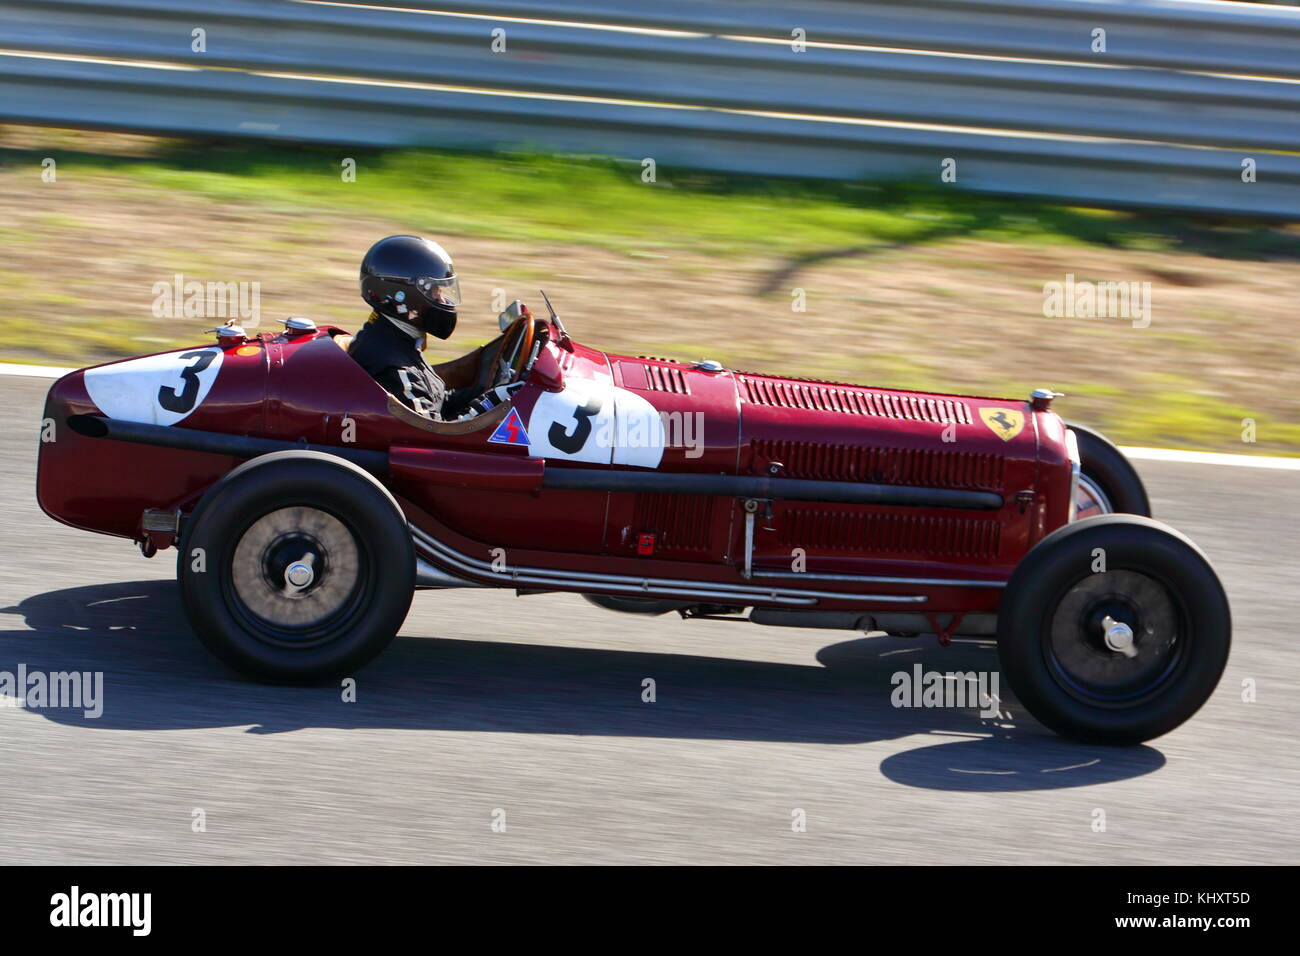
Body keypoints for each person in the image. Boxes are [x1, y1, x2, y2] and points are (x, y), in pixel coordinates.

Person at [350, 235, 481, 420]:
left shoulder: (397, 339)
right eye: (435, 292)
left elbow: (440, 401)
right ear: (403, 295)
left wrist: (492, 393)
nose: (442, 300)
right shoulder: (393, 367)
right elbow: (436, 431)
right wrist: (495, 401)